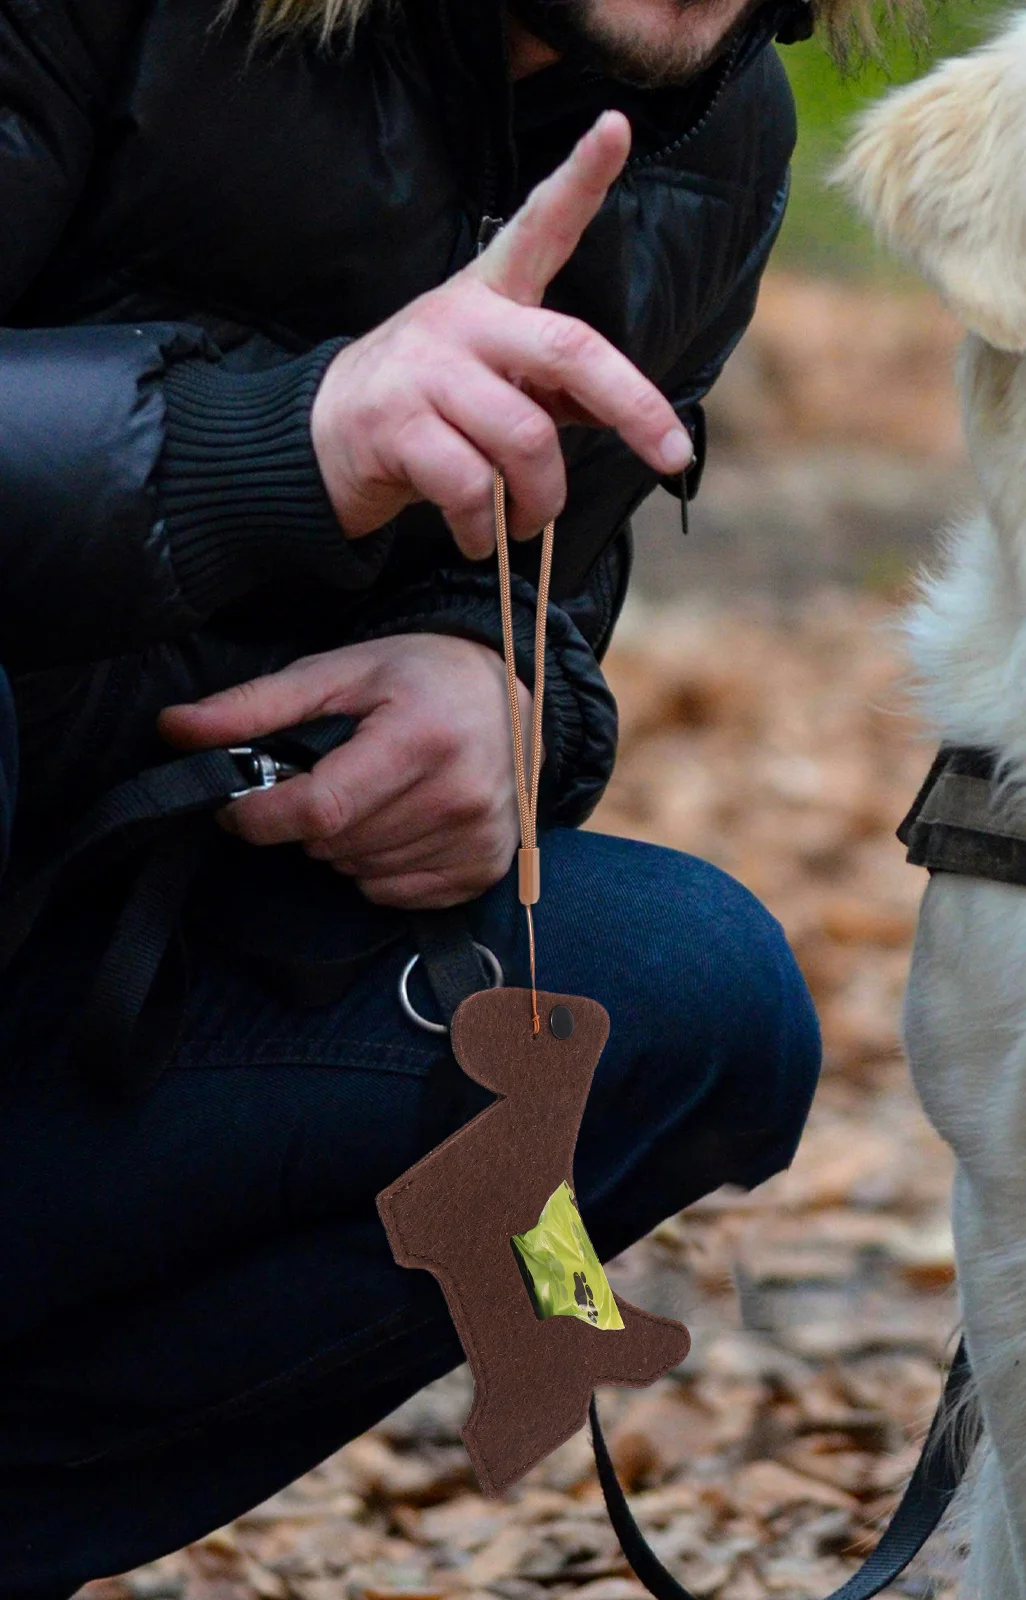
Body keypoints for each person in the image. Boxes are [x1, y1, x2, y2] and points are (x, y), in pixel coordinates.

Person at [0, 0, 863, 1584]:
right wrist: (274, 441)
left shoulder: (711, 128)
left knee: (686, 1002)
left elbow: (549, 578)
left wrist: (498, 686)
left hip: (119, 947)